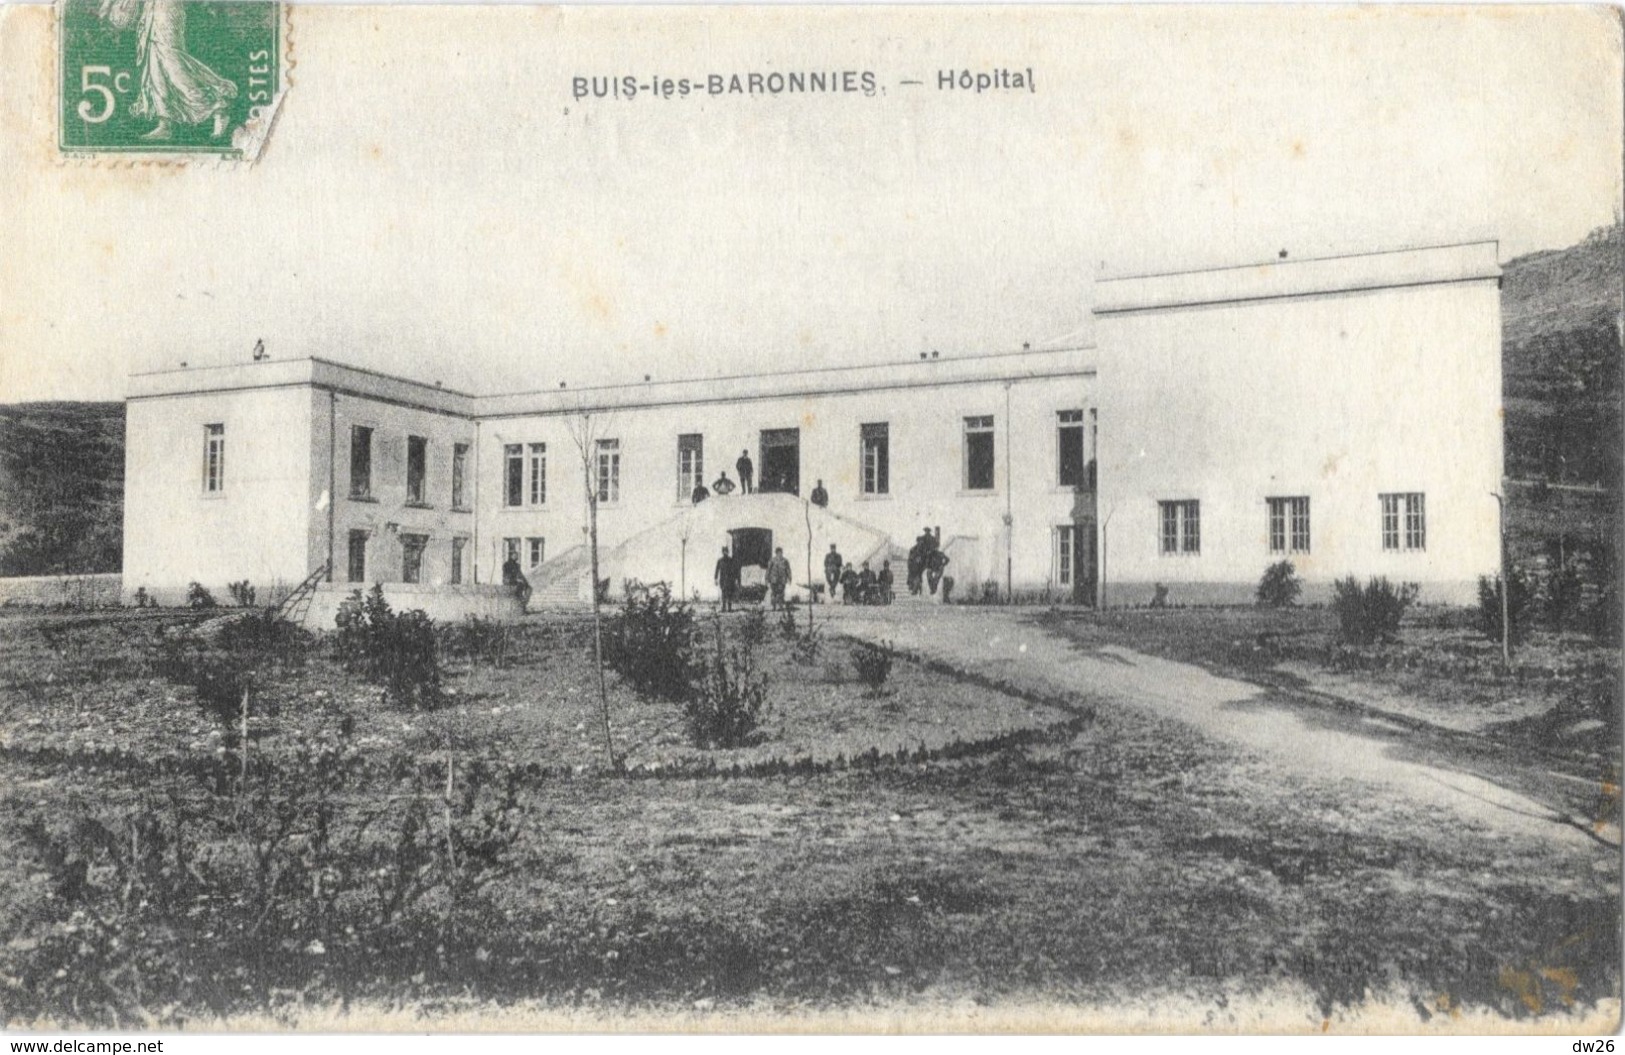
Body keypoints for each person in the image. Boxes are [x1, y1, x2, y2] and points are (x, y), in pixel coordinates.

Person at [714, 546, 740, 612]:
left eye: (726, 551)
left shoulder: (731, 560)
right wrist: (716, 579)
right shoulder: (720, 561)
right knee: (723, 594)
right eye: (724, 551)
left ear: (727, 552)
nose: (725, 553)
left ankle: (729, 608)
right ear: (722, 552)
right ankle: (723, 608)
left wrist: (736, 579)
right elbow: (717, 570)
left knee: (730, 594)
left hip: (730, 580)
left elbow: (735, 570)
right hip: (723, 580)